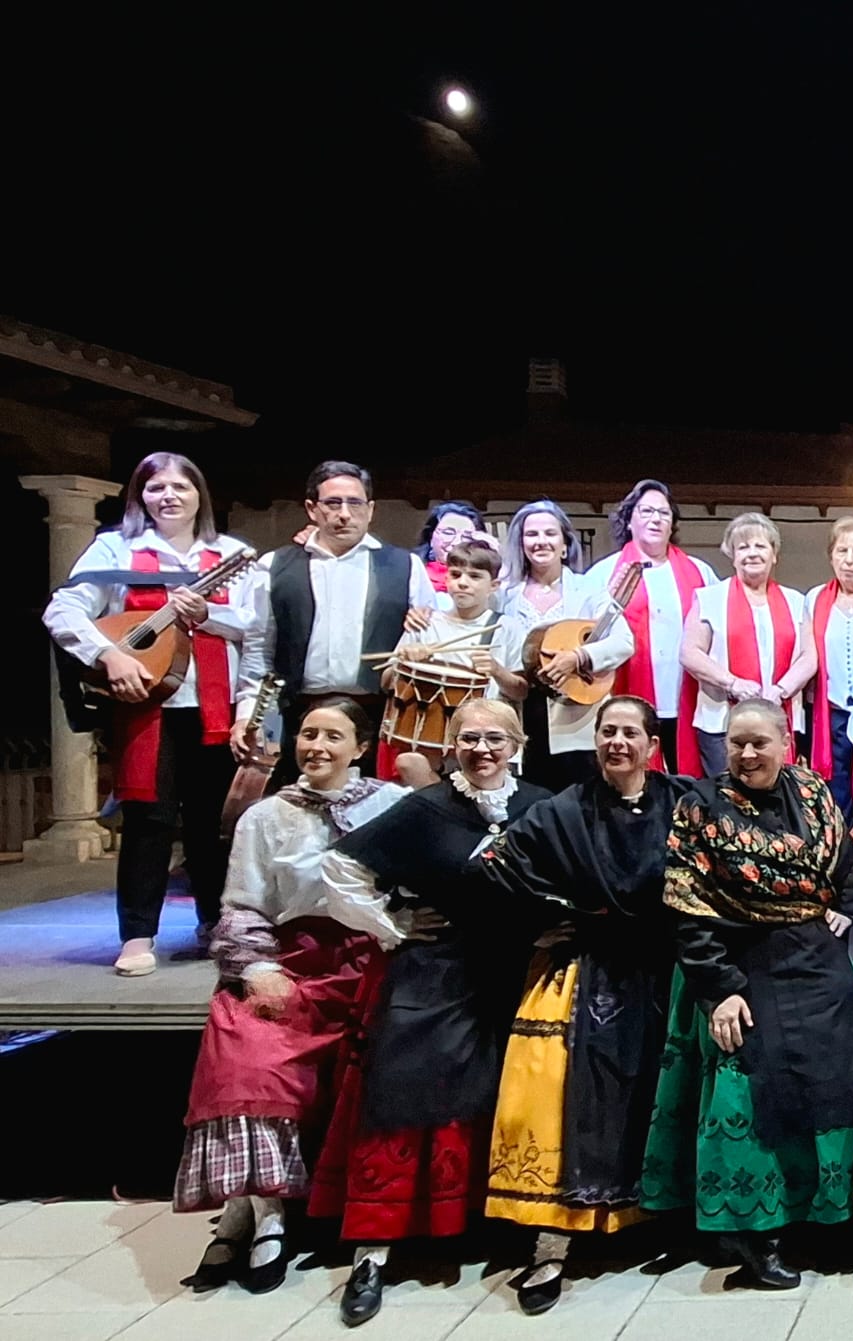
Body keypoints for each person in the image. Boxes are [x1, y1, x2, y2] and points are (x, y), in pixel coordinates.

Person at [308, 698, 551, 1325]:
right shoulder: (423, 808)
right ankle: (373, 1252)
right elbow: (339, 868)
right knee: (408, 1097)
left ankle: (493, 1231)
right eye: (469, 738)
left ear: (518, 744)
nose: (483, 749)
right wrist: (392, 924)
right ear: (451, 746)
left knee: (508, 1101)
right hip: (435, 974)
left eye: (496, 738)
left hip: (514, 976)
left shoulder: (539, 807)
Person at [174, 698, 407, 1295]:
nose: (318, 747)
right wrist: (256, 968)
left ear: (360, 746)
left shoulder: (392, 807)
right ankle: (262, 1213)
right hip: (293, 962)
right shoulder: (265, 816)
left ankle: (264, 1215)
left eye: (334, 736)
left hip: (369, 960)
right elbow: (243, 903)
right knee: (242, 1048)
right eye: (308, 734)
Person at [470, 695, 686, 1315]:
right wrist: (552, 920)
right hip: (590, 970)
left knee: (663, 1092)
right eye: (606, 731)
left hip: (668, 968)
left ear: (652, 743)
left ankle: (660, 1221)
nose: (617, 742)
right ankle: (551, 1243)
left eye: (629, 732)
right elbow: (498, 868)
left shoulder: (684, 802)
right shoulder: (562, 809)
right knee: (571, 1097)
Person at [642, 698, 853, 1290]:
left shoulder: (815, 794)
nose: (746, 754)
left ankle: (825, 1219)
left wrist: (842, 910)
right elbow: (687, 909)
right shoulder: (701, 808)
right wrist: (720, 991)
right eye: (737, 743)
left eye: (759, 743)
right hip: (741, 965)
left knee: (833, 1081)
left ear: (784, 744)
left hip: (817, 964)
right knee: (752, 1089)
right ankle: (754, 1233)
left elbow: (845, 865)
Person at [44, 452, 258, 976]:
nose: (169, 496)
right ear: (140, 496)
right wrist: (109, 654)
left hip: (214, 707)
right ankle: (138, 935)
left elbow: (257, 629)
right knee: (147, 821)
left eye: (181, 487)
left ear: (199, 496)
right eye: (156, 487)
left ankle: (215, 923)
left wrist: (211, 616)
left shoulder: (227, 553)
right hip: (147, 708)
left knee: (213, 825)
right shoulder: (116, 548)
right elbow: (63, 609)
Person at [237, 462, 440, 786]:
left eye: (354, 503)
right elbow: (259, 648)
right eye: (333, 503)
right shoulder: (274, 565)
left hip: (377, 719)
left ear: (370, 510)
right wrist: (250, 714)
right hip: (297, 716)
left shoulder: (405, 566)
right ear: (312, 509)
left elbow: (427, 638)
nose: (344, 513)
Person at [489, 499, 635, 794]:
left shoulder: (590, 591)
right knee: (528, 799)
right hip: (520, 710)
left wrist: (579, 656)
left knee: (581, 800)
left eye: (549, 533)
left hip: (576, 716)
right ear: (521, 543)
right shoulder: (503, 595)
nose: (541, 541)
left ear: (565, 544)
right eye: (531, 534)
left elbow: (624, 642)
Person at [588, 479, 717, 772]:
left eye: (664, 513)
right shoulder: (604, 574)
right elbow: (591, 638)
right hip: (629, 696)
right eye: (646, 512)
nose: (656, 519)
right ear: (629, 520)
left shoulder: (700, 572)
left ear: (672, 523)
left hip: (688, 698)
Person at [680, 512, 815, 777]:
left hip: (778, 718)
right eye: (743, 547)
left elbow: (809, 657)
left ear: (774, 554)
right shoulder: (709, 599)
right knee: (728, 796)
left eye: (760, 546)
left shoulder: (796, 601)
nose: (752, 553)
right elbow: (689, 652)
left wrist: (781, 690)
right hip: (721, 723)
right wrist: (733, 683)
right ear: (732, 555)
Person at [379, 535, 503, 775]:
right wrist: (403, 664)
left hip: (481, 741)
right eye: (455, 575)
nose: (463, 583)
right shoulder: (424, 623)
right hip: (422, 745)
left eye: (475, 576)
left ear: (494, 585)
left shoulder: (503, 627)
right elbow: (385, 683)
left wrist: (497, 670)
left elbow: (521, 690)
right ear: (446, 577)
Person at [806, 516, 853, 822]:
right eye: (842, 551)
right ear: (831, 555)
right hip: (832, 713)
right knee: (836, 796)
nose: (849, 561)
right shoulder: (814, 599)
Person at [413, 500, 485, 594]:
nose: (457, 542)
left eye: (467, 536)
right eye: (448, 533)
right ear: (431, 537)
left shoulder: (487, 580)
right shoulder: (412, 574)